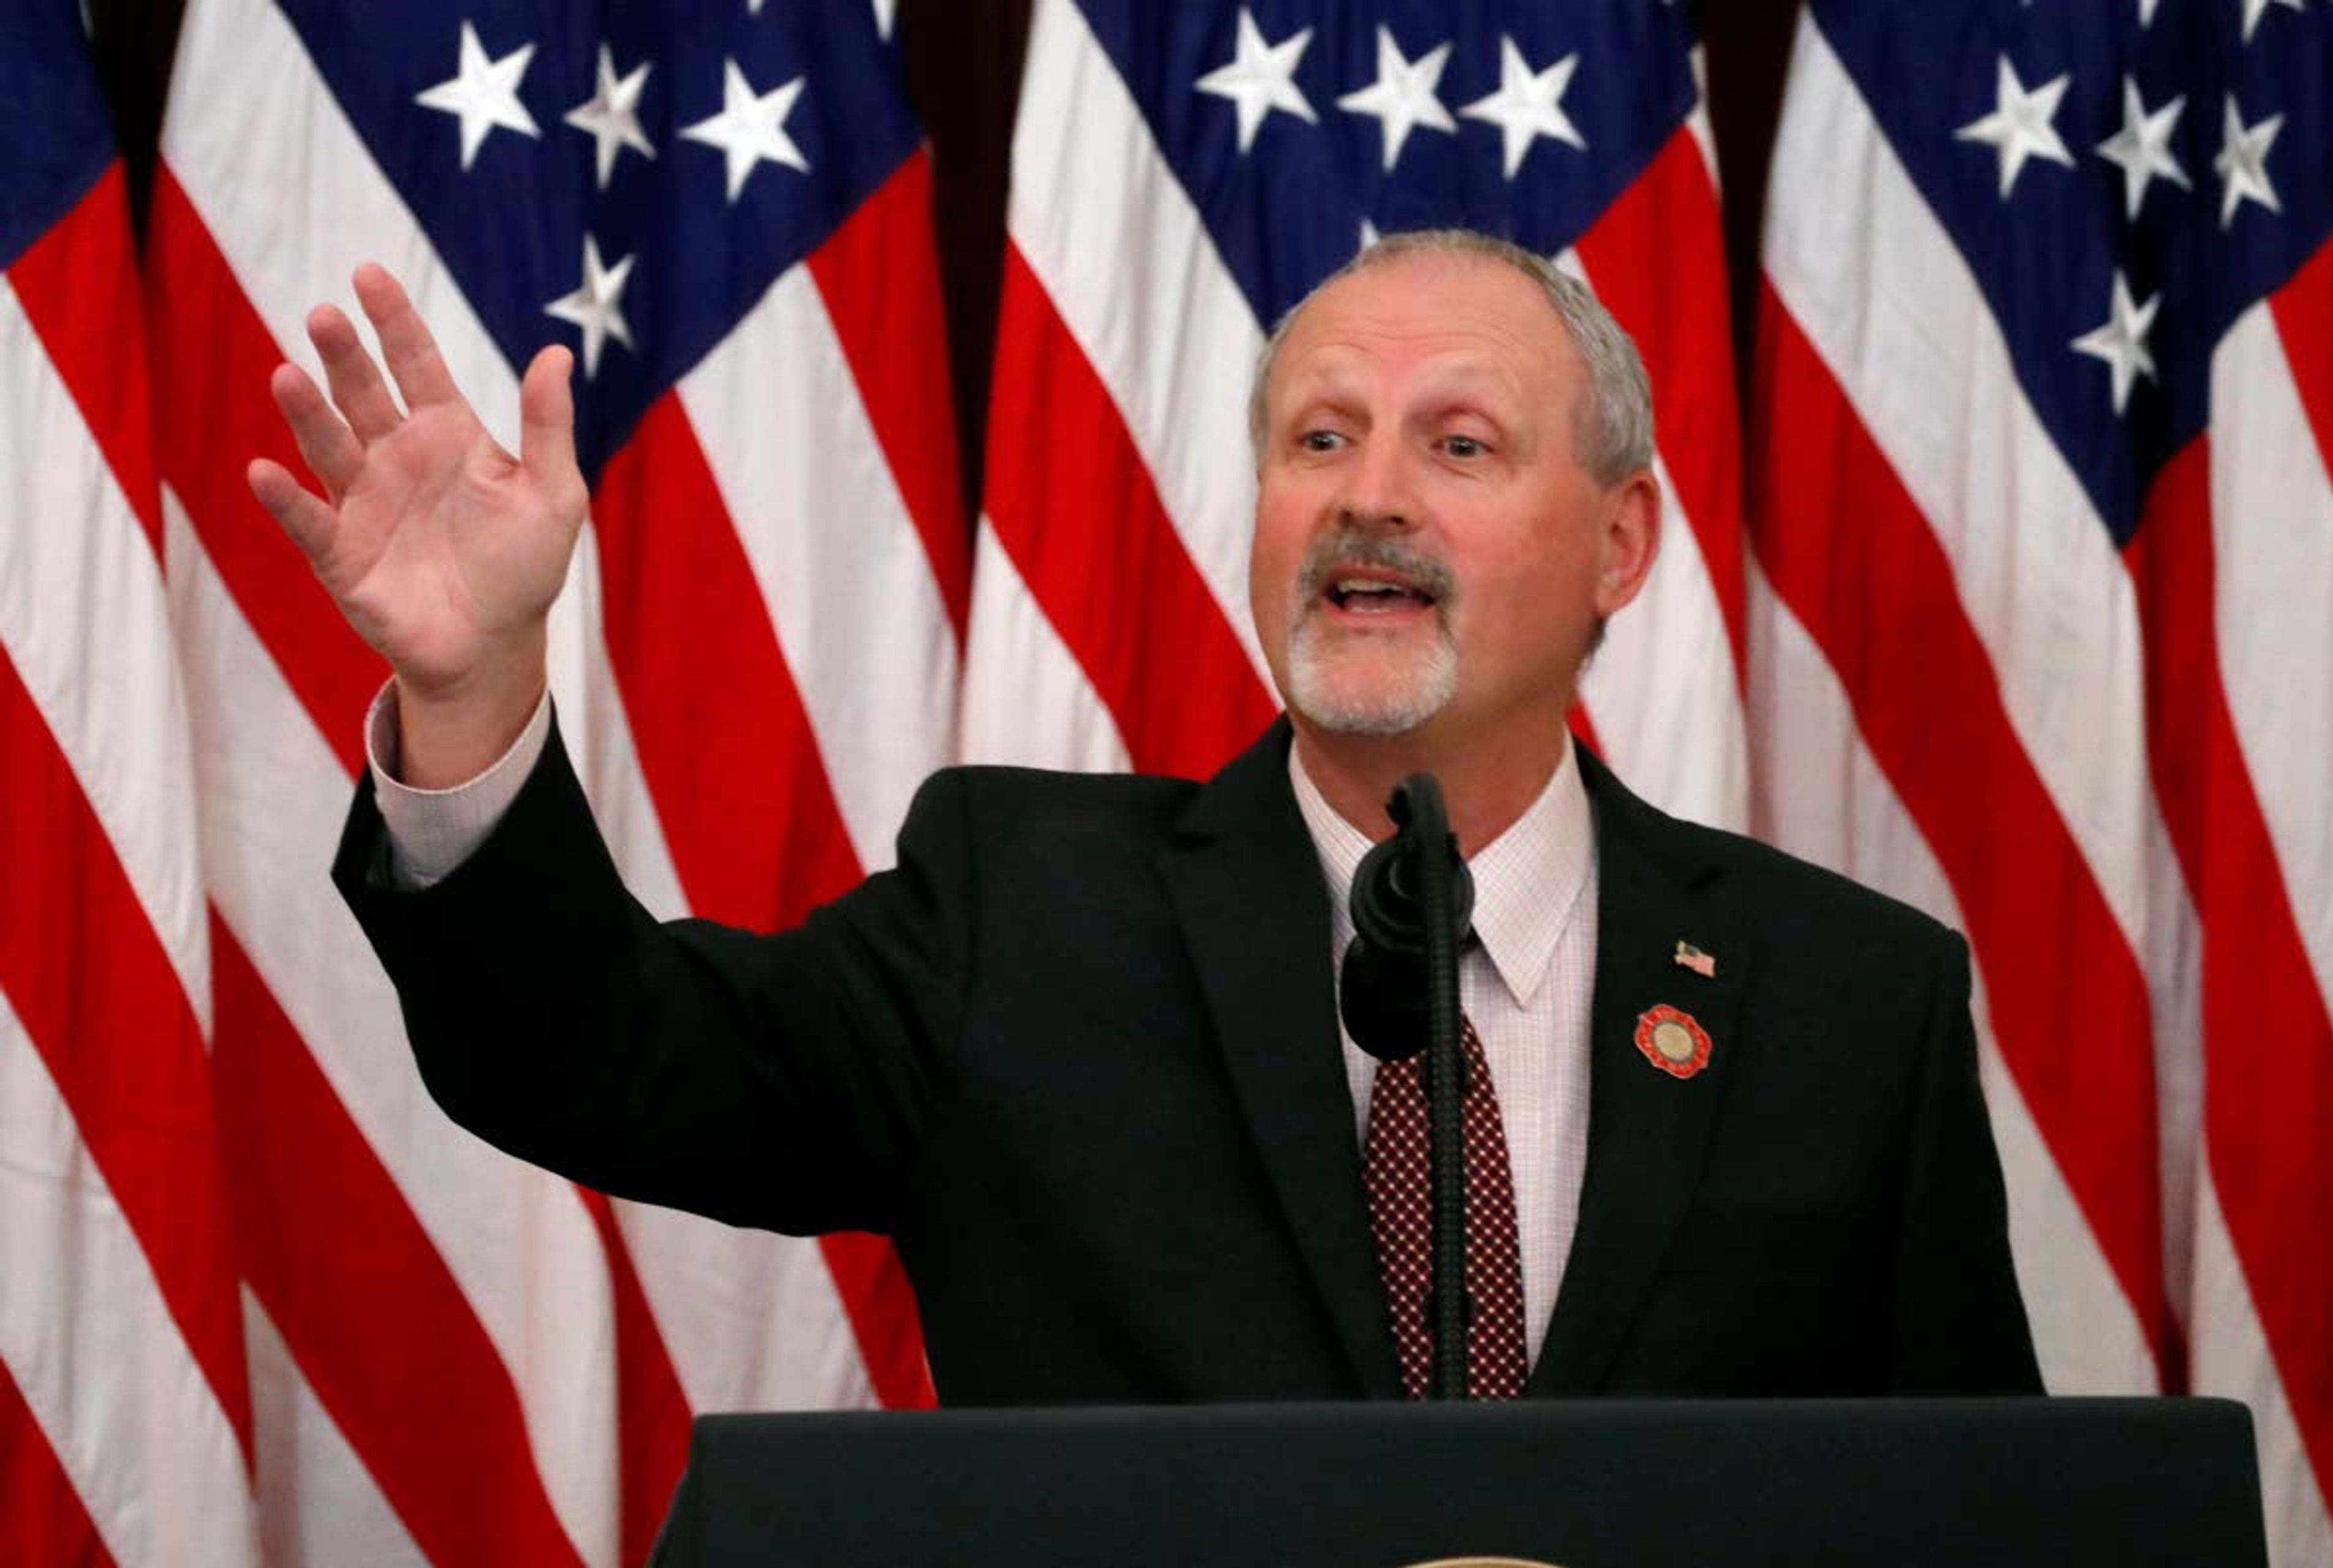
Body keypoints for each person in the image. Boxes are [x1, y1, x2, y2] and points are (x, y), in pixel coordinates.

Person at [253, 230, 2041, 1403]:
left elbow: (1988, 1524)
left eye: (1463, 446)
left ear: (1621, 543)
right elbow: (594, 1056)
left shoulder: (1850, 1003)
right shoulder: (1017, 917)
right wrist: (475, 689)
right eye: (1319, 441)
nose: (1371, 502)